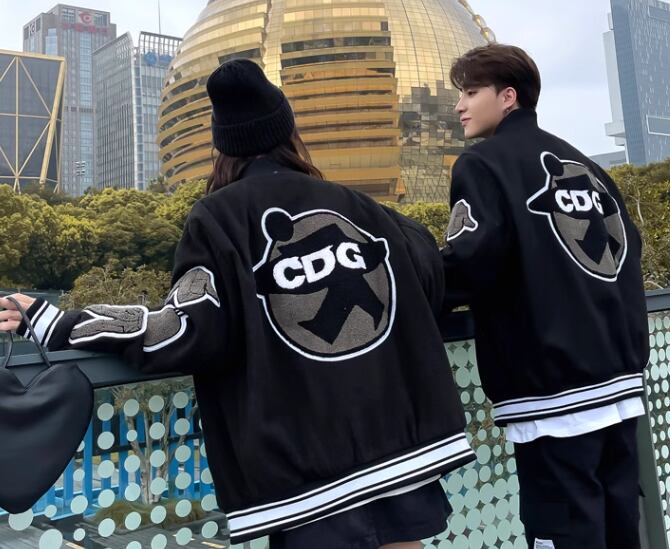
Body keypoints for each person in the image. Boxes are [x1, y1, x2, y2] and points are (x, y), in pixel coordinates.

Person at [0, 59, 475, 549]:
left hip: (307, 470)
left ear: (222, 146)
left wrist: (55, 321)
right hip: (399, 448)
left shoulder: (217, 219)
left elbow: (182, 331)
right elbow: (430, 274)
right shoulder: (363, 208)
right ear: (288, 131)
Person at [441, 43, 649, 549]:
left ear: (507, 97)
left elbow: (470, 261)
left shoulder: (483, 165)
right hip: (619, 386)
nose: (459, 106)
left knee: (564, 533)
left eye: (470, 92)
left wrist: (413, 292)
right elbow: (629, 250)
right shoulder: (588, 168)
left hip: (552, 396)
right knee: (622, 531)